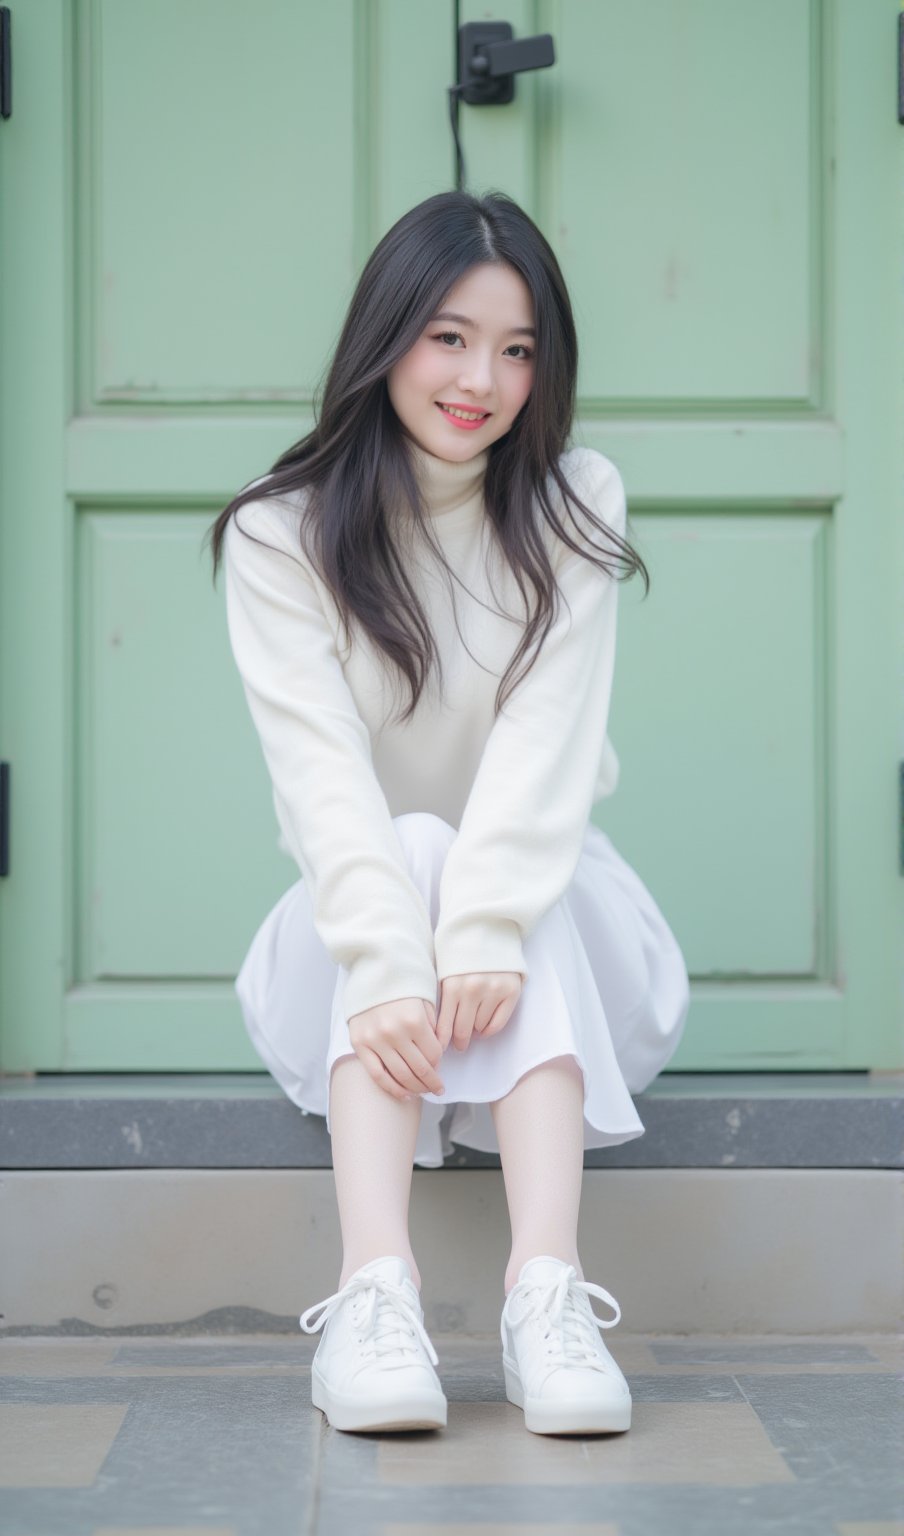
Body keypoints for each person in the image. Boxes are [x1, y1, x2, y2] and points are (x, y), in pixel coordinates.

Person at [205, 189, 690, 1438]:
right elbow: (321, 780)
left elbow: (540, 761)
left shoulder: (573, 501)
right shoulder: (281, 530)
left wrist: (476, 929)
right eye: (449, 337)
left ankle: (546, 1292)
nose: (483, 379)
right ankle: (376, 1290)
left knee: (473, 852)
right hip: (356, 958)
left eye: (518, 349)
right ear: (386, 336)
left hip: (550, 935)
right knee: (407, 842)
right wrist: (388, 954)